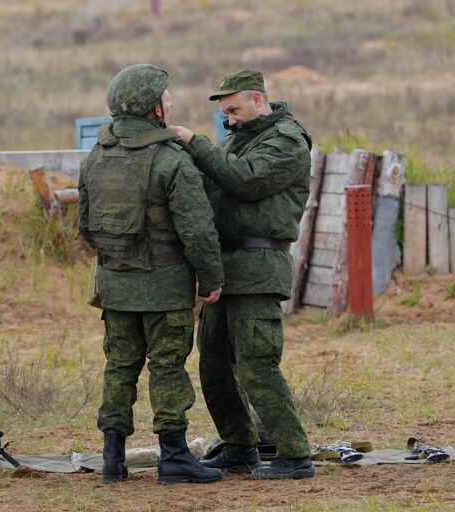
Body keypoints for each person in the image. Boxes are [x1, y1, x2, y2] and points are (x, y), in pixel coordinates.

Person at [78, 64, 225, 485]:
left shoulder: (96, 157)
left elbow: (87, 226)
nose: (172, 102)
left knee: (119, 367)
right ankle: (175, 457)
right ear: (154, 111)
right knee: (167, 368)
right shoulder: (170, 160)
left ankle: (112, 458)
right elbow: (197, 229)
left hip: (117, 287)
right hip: (166, 288)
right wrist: (211, 277)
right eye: (167, 98)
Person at [170, 68, 315, 480]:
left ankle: (294, 455)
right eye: (224, 113)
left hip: (258, 267)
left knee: (257, 363)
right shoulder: (236, 139)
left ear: (257, 99)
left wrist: (194, 142)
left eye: (233, 109)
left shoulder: (286, 140)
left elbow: (245, 180)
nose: (228, 119)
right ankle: (239, 446)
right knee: (213, 366)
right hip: (223, 268)